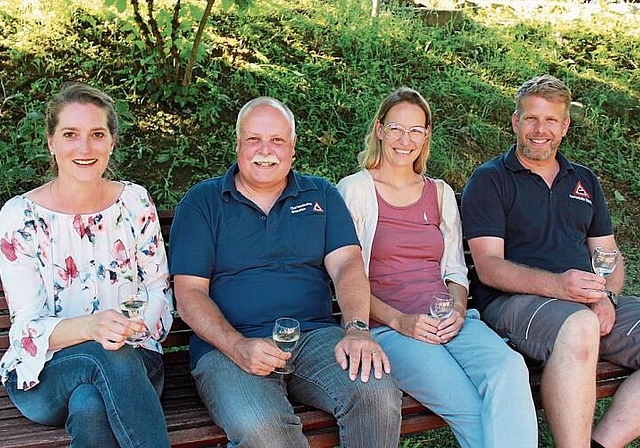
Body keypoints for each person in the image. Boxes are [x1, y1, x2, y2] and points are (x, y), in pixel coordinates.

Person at [169, 96, 402, 447]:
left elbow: (348, 265)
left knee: (377, 394)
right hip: (230, 346)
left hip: (314, 337)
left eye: (277, 140)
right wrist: (238, 346)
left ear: (292, 148)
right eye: (253, 140)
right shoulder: (203, 202)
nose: (266, 150)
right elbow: (189, 294)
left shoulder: (320, 193)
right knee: (265, 430)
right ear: (237, 145)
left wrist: (356, 329)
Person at [336, 87, 538, 448]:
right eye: (396, 128)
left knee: (508, 369)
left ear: (426, 136)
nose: (405, 139)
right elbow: (345, 278)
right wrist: (400, 321)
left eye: (416, 130)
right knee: (470, 406)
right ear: (379, 129)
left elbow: (455, 271)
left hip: (448, 319)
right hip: (390, 328)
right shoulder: (355, 190)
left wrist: (459, 309)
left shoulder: (440, 192)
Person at [461, 74, 640, 448]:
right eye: (531, 118)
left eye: (550, 120)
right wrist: (560, 287)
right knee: (578, 327)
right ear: (515, 121)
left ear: (565, 126)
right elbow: (489, 267)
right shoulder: (490, 180)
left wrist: (605, 296)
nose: (540, 130)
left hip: (586, 302)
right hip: (513, 304)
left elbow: (609, 254)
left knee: (583, 322)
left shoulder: (584, 180)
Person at [0, 82, 174, 447]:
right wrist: (92, 327)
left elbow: (158, 289)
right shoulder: (21, 217)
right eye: (70, 134)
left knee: (91, 403)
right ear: (51, 142)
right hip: (46, 376)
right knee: (103, 355)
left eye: (97, 134)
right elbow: (27, 326)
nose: (84, 147)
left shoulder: (135, 203)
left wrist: (134, 327)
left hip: (136, 363)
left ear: (111, 142)